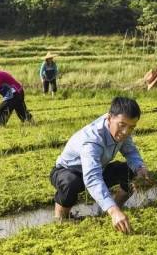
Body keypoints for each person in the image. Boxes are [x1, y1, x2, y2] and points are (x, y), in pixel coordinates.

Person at [50, 97, 150, 233]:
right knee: (70, 183)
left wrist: (140, 167)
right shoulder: (92, 140)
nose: (126, 132)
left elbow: (130, 151)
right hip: (68, 171)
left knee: (131, 173)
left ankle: (116, 209)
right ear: (109, 118)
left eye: (131, 127)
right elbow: (92, 178)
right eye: (122, 125)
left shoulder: (121, 131)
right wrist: (113, 211)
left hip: (99, 167)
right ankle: (61, 219)